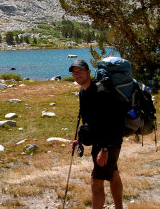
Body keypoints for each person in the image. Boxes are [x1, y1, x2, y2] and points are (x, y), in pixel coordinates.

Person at [69, 59, 124, 209]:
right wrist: (79, 139)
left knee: (96, 181)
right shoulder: (83, 92)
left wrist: (104, 150)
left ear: (88, 72)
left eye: (80, 71)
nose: (77, 75)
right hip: (101, 139)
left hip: (109, 140)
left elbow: (109, 122)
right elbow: (88, 120)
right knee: (113, 174)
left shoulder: (102, 92)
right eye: (74, 72)